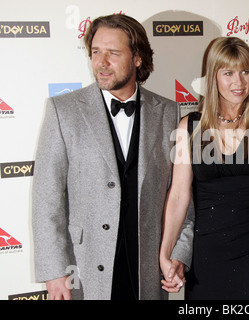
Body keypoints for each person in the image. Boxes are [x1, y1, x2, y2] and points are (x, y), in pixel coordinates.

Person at [32, 14, 194, 300]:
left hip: (148, 268)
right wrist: (55, 271)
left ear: (138, 58)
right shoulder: (64, 111)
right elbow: (47, 198)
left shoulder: (168, 112)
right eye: (95, 52)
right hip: (84, 267)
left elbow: (181, 193)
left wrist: (180, 251)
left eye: (113, 53)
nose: (101, 63)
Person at [159, 36, 249, 300]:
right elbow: (179, 196)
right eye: (228, 73)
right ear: (213, 76)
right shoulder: (189, 128)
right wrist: (165, 251)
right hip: (208, 258)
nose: (238, 82)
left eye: (245, 72)